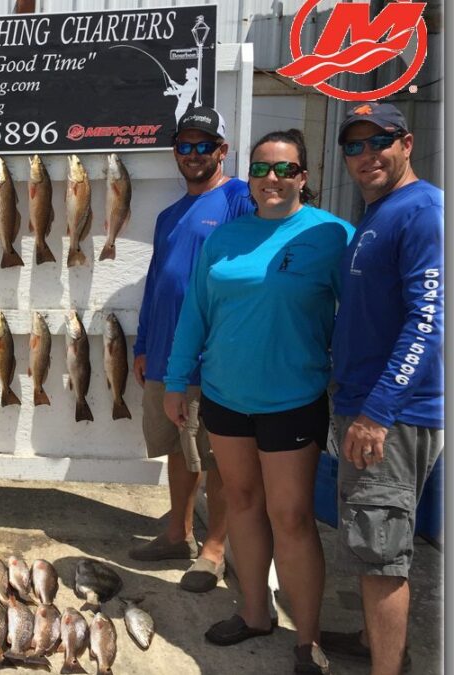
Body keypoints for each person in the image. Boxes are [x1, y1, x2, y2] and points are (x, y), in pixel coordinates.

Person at [163, 129, 354, 674]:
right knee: (242, 503)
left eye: (285, 169)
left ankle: (307, 638)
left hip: (293, 398)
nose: (273, 179)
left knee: (290, 516)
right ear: (249, 174)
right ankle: (253, 613)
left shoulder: (333, 235)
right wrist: (179, 381)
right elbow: (196, 313)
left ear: (304, 176)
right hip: (225, 396)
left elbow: (363, 317)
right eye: (262, 168)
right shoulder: (226, 237)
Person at [321, 102, 443, 675]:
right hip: (364, 405)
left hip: (390, 416)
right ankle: (377, 644)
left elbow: (429, 320)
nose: (367, 155)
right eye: (354, 146)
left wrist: (377, 412)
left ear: (407, 143)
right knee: (371, 544)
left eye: (380, 142)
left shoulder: (423, 211)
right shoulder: (379, 213)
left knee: (382, 551)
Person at [129, 107, 252, 594]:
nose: (194, 154)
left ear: (222, 150)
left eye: (205, 146)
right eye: (185, 146)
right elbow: (158, 283)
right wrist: (142, 344)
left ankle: (215, 549)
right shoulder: (168, 215)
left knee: (218, 456)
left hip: (209, 355)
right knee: (179, 452)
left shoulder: (240, 198)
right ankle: (177, 533)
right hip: (164, 356)